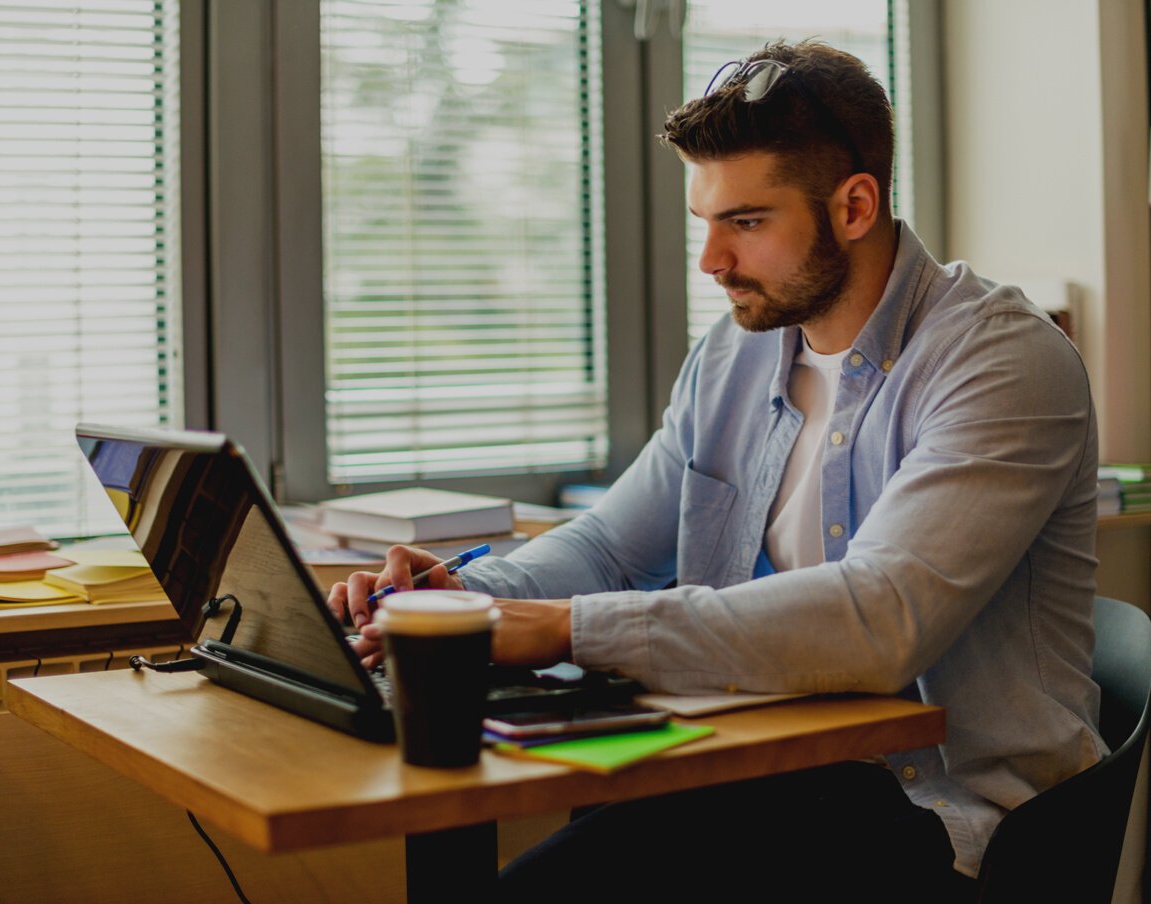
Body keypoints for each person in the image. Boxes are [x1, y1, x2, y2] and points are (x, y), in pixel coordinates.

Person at [328, 39, 1102, 901]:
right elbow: (615, 546)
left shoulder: (1001, 359)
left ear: (853, 206)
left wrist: (562, 628)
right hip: (764, 771)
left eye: (746, 222)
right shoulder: (736, 353)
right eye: (707, 222)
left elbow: (879, 620)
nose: (712, 261)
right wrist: (466, 602)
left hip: (938, 818)